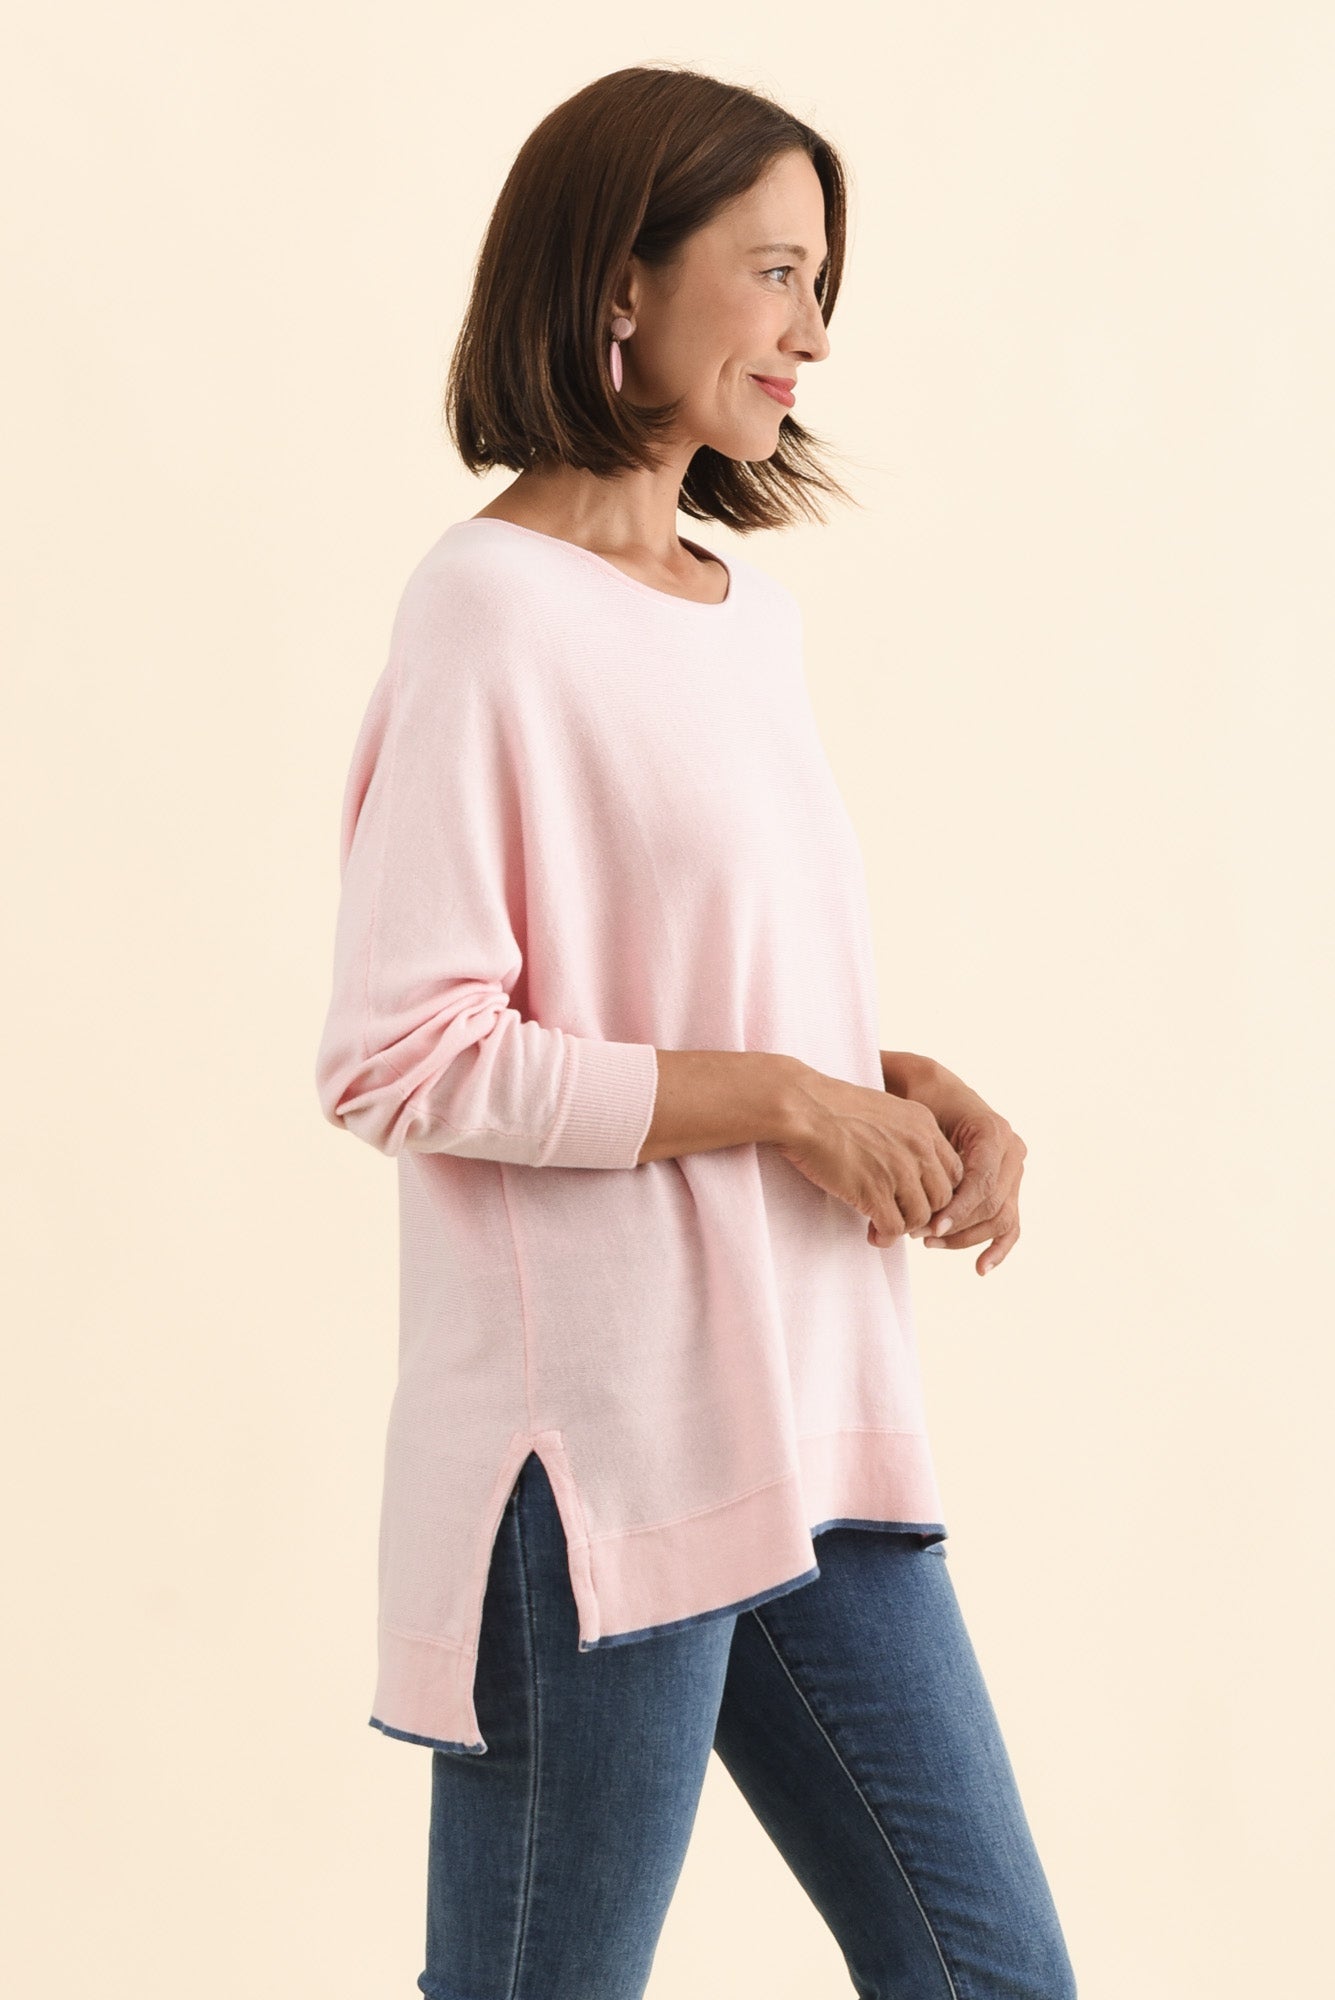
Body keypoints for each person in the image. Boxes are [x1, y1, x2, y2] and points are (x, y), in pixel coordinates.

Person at [314, 62, 1077, 2000]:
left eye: (824, 279)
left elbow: (707, 990)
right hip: (603, 1445)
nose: (813, 330)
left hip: (809, 1408)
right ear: (618, 284)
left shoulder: (748, 619)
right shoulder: (486, 611)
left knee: (990, 1974)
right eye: (774, 272)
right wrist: (782, 1100)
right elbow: (402, 1055)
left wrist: (896, 1092)